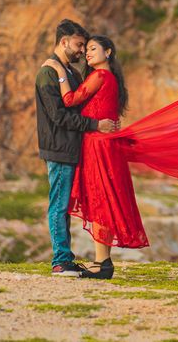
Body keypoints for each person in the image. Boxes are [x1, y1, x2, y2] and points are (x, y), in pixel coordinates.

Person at [43, 34, 133, 279]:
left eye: (93, 49)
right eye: (86, 48)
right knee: (100, 199)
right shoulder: (110, 78)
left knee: (99, 199)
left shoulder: (100, 76)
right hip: (101, 144)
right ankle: (101, 261)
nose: (88, 53)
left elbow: (70, 99)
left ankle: (103, 262)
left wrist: (59, 71)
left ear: (109, 52)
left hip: (97, 146)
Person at [35, 19, 114, 277]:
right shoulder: (48, 72)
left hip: (72, 149)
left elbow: (81, 104)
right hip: (58, 148)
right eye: (79, 45)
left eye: (85, 46)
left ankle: (66, 259)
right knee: (58, 205)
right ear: (63, 41)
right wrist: (95, 125)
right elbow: (59, 116)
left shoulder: (69, 73)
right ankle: (60, 261)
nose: (82, 50)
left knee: (64, 206)